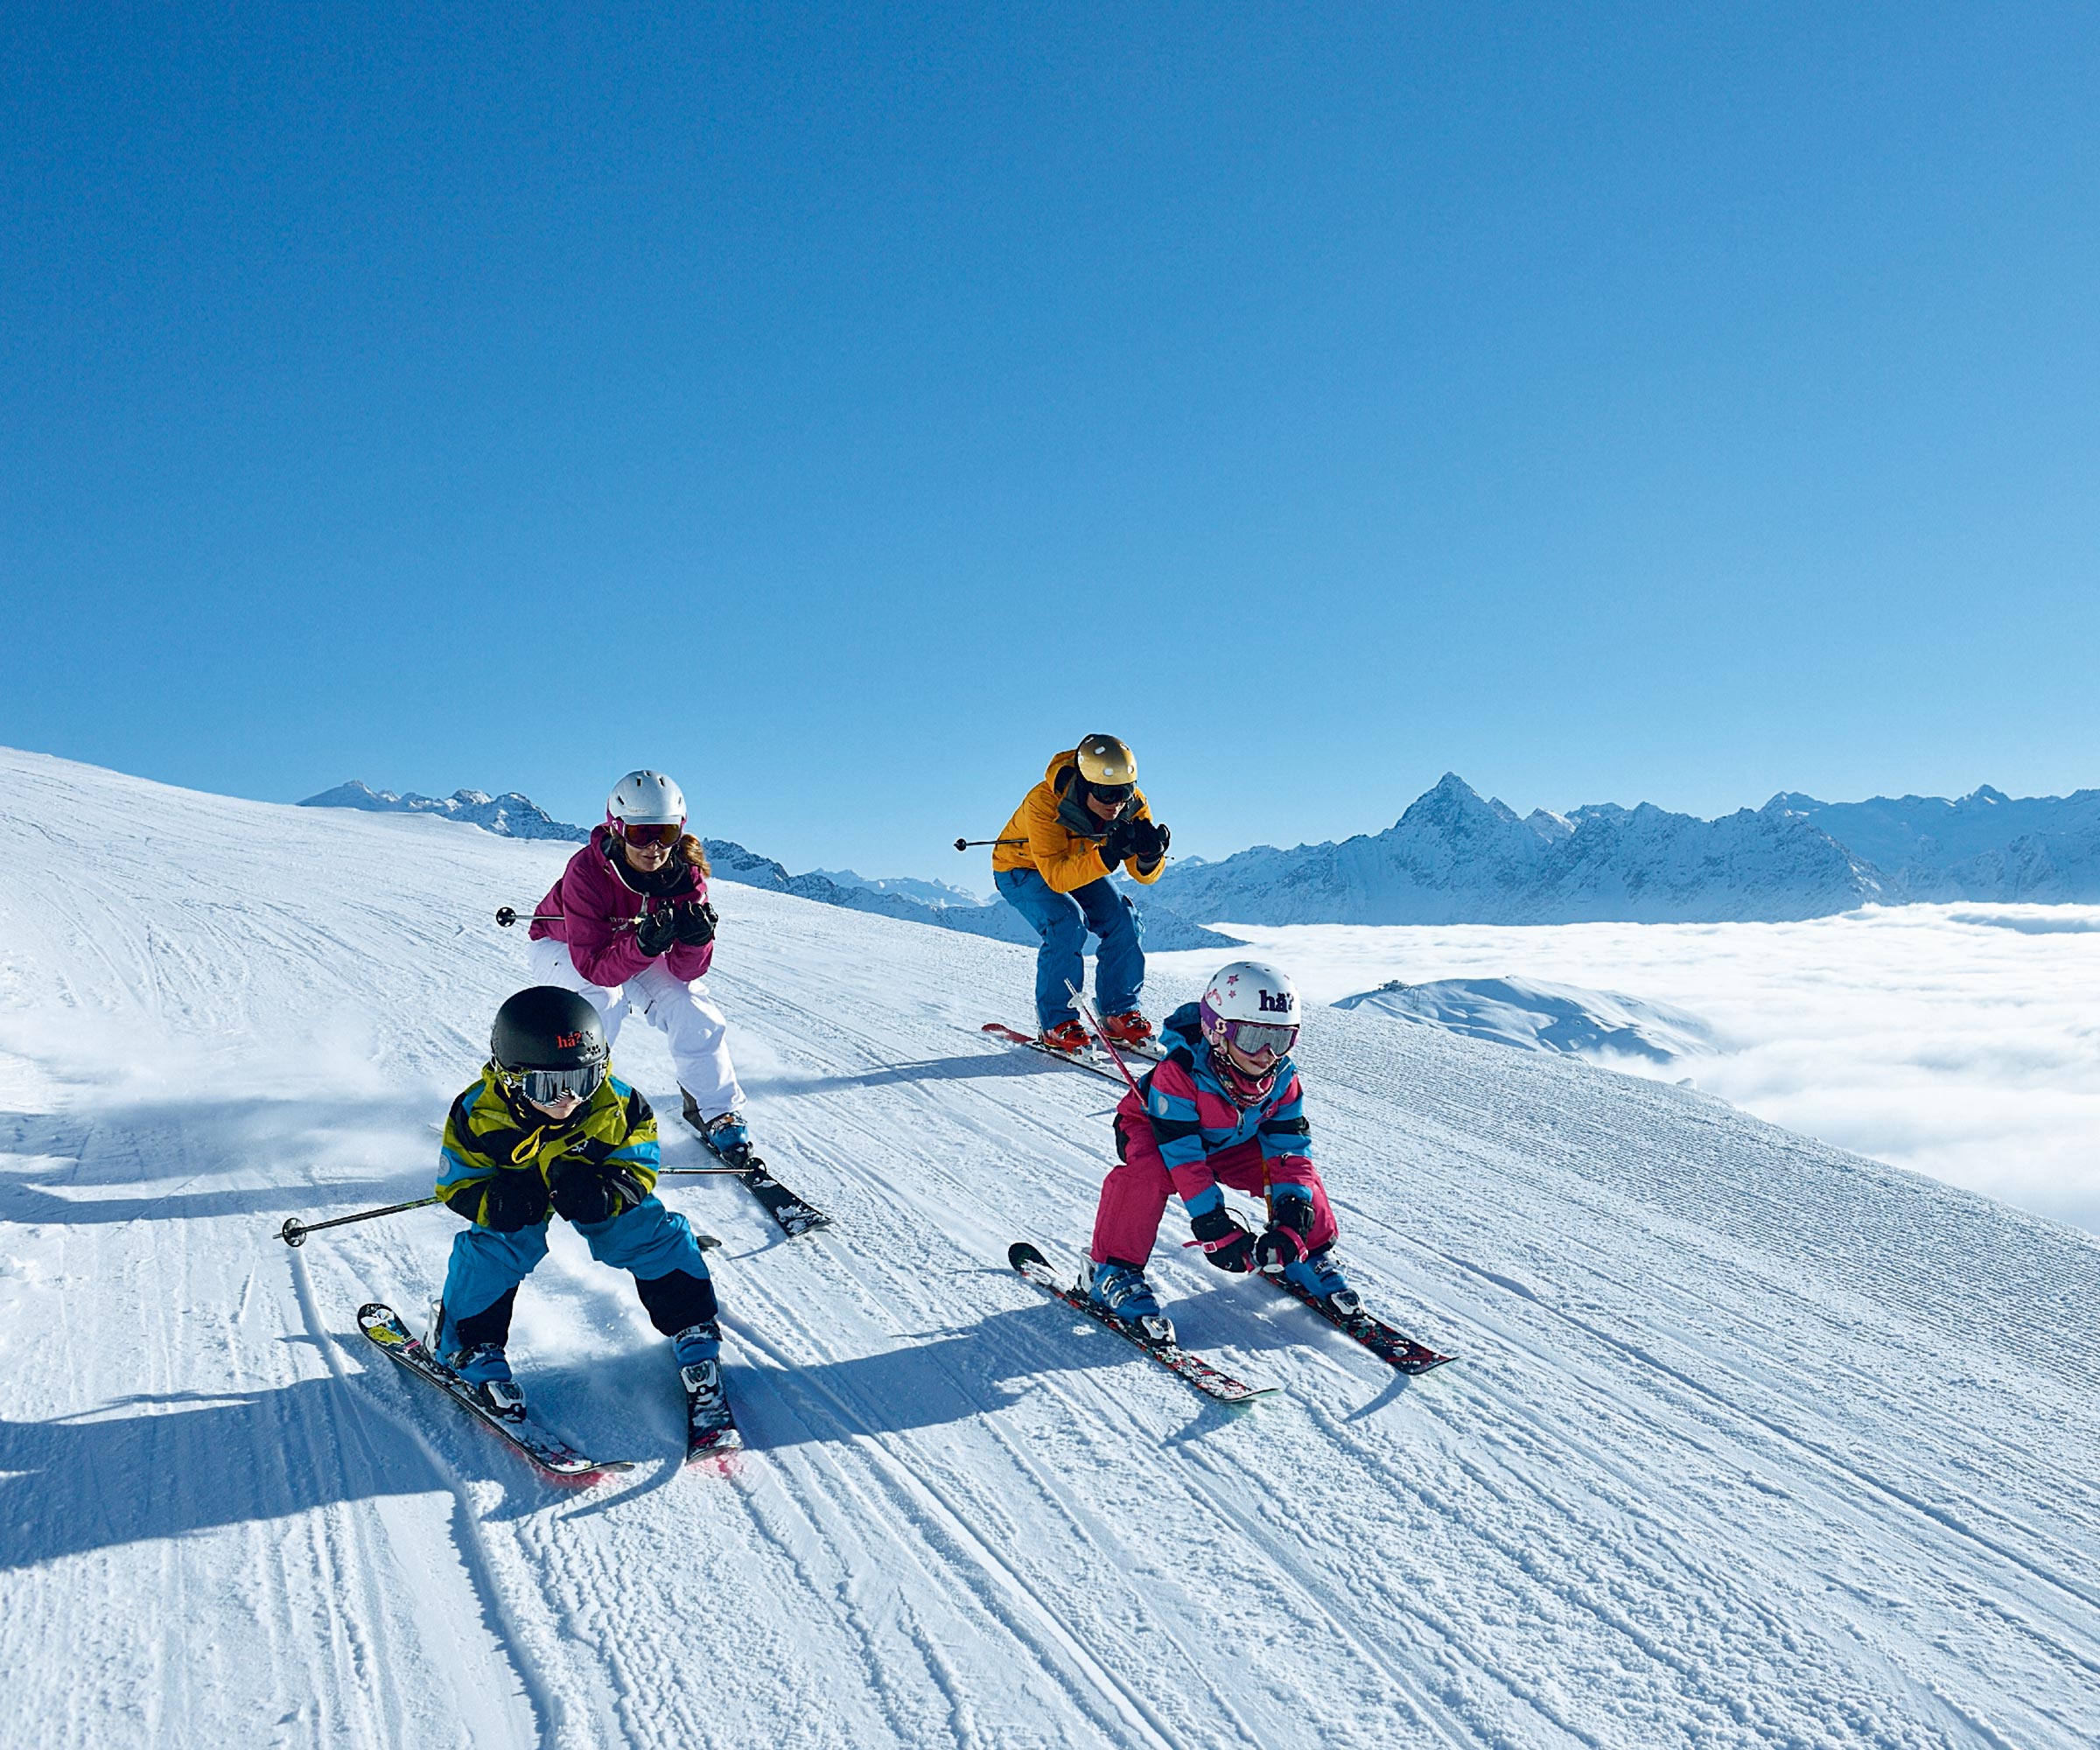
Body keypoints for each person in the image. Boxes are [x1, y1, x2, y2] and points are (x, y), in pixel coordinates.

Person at [427, 985, 724, 1418]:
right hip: (519, 1193)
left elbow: (640, 1157)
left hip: (590, 1185)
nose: (568, 1101)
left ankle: (692, 1324)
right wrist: (495, 1203)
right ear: (511, 1076)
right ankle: (470, 1346)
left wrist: (614, 1189)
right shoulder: (480, 1114)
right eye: (549, 1087)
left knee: (647, 1230)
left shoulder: (618, 1103)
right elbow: (458, 1180)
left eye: (582, 1081)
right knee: (494, 1250)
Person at [1084, 960, 1359, 1345]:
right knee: (1148, 1174)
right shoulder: (1178, 1074)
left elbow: (1289, 1152)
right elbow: (1184, 1158)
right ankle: (1112, 1270)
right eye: (1251, 1038)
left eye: (1279, 1040)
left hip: (1228, 1140)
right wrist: (1213, 1225)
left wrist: (1293, 1219)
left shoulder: (1281, 1079)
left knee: (1296, 1176)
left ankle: (1307, 1255)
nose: (1266, 1055)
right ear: (1217, 1030)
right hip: (1156, 1133)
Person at [528, 768, 754, 1164]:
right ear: (618, 829)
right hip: (563, 945)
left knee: (690, 1005)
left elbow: (685, 972)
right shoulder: (587, 871)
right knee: (602, 1000)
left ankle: (717, 1113)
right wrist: (644, 943)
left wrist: (698, 941)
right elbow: (593, 967)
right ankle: (560, 1105)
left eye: (665, 834)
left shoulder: (686, 876)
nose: (654, 847)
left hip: (637, 948)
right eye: (639, 834)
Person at [991, 734, 1171, 1051]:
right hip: (1021, 868)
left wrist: (1148, 857)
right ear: (1086, 784)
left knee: (1125, 920)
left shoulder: (1133, 804)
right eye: (1106, 792)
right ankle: (1056, 1022)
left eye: (1124, 791)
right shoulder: (1044, 803)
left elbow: (1143, 877)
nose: (1116, 802)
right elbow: (1057, 877)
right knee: (1067, 922)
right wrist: (1107, 855)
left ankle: (1119, 1012)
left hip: (1080, 862)